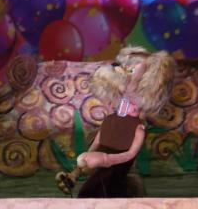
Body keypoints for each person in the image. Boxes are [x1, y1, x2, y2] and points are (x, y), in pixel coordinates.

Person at [56, 47, 177, 198]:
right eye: (127, 69)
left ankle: (124, 191)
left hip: (121, 148)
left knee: (98, 187)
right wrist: (76, 172)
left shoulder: (138, 124)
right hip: (112, 135)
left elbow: (130, 154)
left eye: (133, 70)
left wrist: (107, 160)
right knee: (96, 186)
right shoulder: (111, 117)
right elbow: (97, 143)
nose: (128, 73)